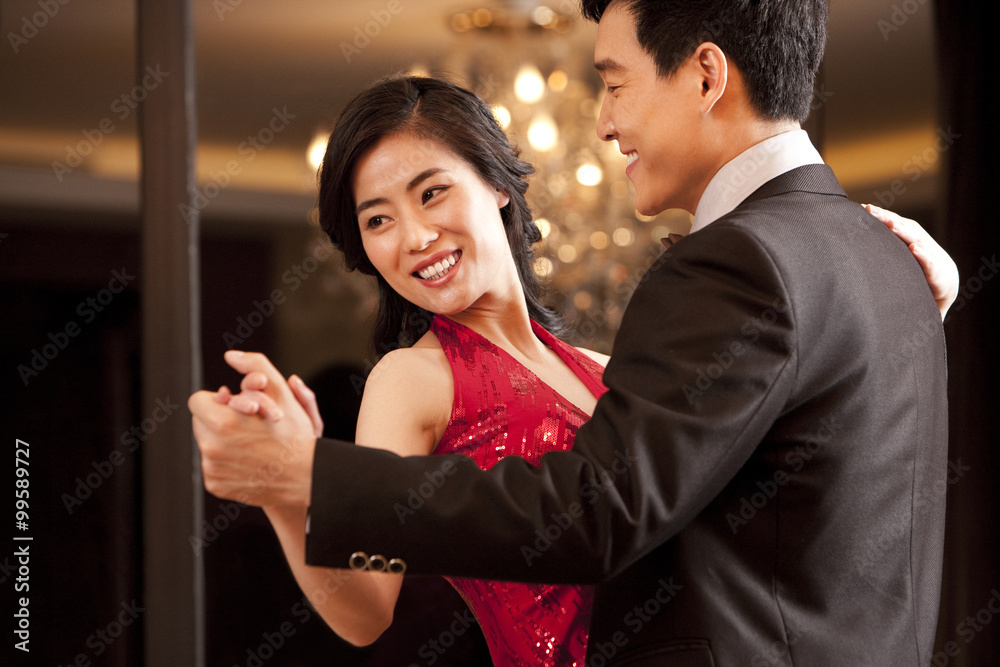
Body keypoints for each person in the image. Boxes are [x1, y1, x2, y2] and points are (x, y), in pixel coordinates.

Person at [191, 1, 956, 664]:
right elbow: (366, 612)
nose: (414, 236)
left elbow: (640, 502)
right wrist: (294, 490)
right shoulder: (411, 376)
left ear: (497, 186)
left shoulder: (616, 359)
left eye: (432, 193)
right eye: (377, 221)